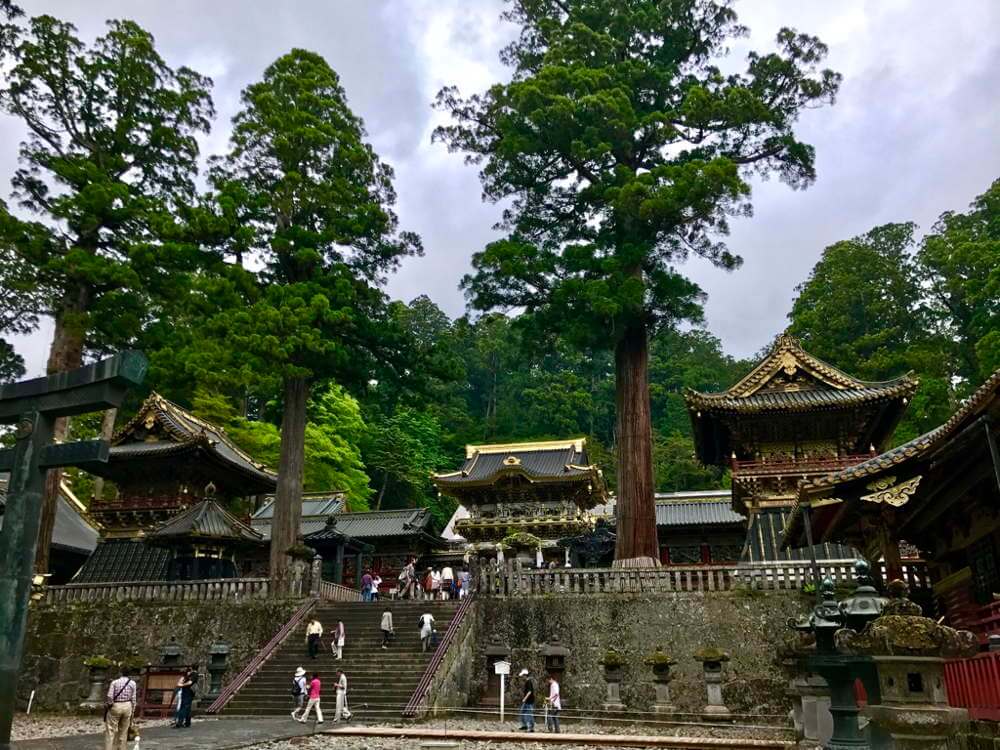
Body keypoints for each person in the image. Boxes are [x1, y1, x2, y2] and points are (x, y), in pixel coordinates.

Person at [104, 667, 137, 750]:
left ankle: (109, 748)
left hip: (116, 705)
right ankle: (121, 748)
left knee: (111, 729)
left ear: (120, 673)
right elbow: (133, 698)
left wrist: (109, 705)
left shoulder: (114, 682)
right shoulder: (133, 683)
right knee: (124, 730)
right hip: (127, 705)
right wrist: (133, 710)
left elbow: (110, 696)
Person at [518, 668, 535, 732]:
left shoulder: (529, 682)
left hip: (529, 701)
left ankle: (531, 728)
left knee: (529, 714)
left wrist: (524, 699)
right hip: (526, 701)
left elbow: (530, 692)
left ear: (525, 675)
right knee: (522, 712)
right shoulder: (527, 682)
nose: (522, 677)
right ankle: (524, 725)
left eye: (522, 676)